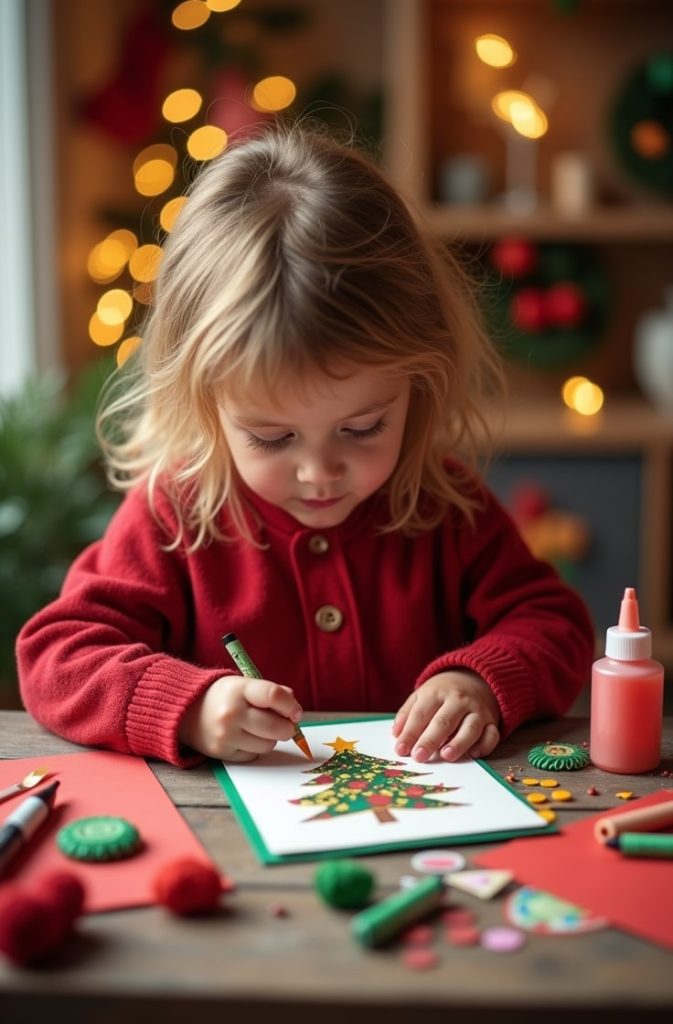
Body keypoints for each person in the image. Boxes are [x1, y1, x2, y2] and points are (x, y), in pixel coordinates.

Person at [17, 123, 594, 769]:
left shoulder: (443, 504)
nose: (320, 472)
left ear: (418, 383)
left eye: (361, 428)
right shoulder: (175, 512)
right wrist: (189, 706)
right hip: (230, 848)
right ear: (204, 402)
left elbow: (554, 623)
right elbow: (58, 655)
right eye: (271, 437)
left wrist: (481, 682)